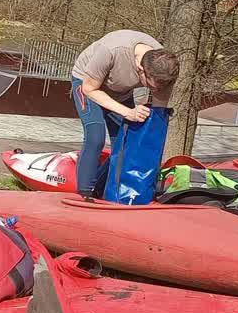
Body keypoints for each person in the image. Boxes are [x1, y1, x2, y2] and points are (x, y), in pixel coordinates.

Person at [70, 30, 181, 198]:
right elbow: (89, 88)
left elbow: (159, 107)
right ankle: (84, 194)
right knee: (96, 136)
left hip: (121, 92)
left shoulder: (164, 68)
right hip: (88, 85)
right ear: (140, 69)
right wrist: (128, 112)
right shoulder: (111, 50)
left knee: (124, 144)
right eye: (150, 87)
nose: (155, 91)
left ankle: (103, 190)